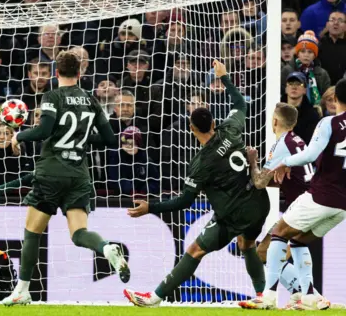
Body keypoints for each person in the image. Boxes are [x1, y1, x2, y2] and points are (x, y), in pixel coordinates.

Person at [124, 60, 269, 307]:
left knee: (194, 250)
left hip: (232, 213)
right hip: (258, 203)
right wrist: (224, 77)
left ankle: (156, 297)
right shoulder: (231, 129)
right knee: (247, 245)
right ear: (214, 122)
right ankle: (263, 297)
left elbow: (184, 201)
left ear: (192, 129)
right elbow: (241, 103)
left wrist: (151, 208)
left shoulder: (201, 164)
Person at [2, 51, 128, 306]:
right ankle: (105, 248)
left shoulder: (53, 96)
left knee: (32, 232)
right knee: (79, 233)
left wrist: (19, 137)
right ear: (80, 74)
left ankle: (22, 290)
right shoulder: (91, 100)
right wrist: (81, 139)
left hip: (51, 173)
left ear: (56, 73)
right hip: (79, 175)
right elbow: (109, 139)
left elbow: (44, 130)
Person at [263, 78, 346, 310]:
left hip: (320, 194)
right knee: (298, 241)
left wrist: (285, 162)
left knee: (279, 233)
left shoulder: (328, 123)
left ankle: (268, 295)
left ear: (336, 99)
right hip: (342, 206)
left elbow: (310, 154)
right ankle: (309, 295)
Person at [239, 103, 319, 309]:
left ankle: (307, 295)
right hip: (311, 202)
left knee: (266, 249)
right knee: (280, 250)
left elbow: (259, 182)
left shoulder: (282, 144)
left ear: (275, 121)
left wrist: (252, 160)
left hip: (302, 207)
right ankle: (303, 294)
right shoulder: (297, 140)